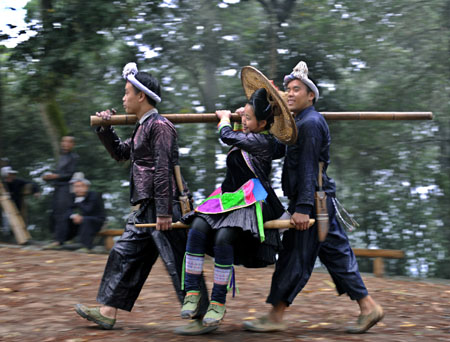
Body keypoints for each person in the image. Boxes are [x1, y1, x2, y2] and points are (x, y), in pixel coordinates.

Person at [243, 61, 384, 334]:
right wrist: (251, 120)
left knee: (294, 257)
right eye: (288, 90)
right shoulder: (297, 123)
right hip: (319, 202)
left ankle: (275, 315)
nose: (291, 93)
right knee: (337, 256)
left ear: (311, 96)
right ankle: (369, 308)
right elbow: (275, 149)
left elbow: (309, 166)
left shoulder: (310, 123)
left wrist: (303, 208)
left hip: (313, 204)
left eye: (297, 89)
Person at [74, 62, 211, 335]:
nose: (123, 98)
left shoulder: (160, 126)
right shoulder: (142, 126)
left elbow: (163, 169)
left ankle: (202, 318)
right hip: (146, 207)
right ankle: (107, 312)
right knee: (123, 253)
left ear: (141, 95)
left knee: (178, 261)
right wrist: (105, 129)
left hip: (164, 205)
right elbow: (122, 153)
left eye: (126, 93)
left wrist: (163, 212)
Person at [178, 84, 295, 330]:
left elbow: (227, 136)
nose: (242, 118)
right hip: (228, 198)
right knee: (197, 227)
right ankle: (191, 292)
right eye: (242, 114)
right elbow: (244, 132)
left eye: (248, 117)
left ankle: (218, 302)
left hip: (251, 200)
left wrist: (224, 120)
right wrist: (246, 115)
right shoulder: (252, 133)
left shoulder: (263, 142)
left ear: (263, 124)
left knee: (223, 238)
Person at [42, 135, 78, 248]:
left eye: (68, 142)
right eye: (64, 141)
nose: (65, 143)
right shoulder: (62, 157)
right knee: (55, 213)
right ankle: (59, 238)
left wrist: (55, 176)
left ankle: (60, 240)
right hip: (57, 188)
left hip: (66, 189)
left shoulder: (73, 157)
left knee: (63, 214)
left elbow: (70, 174)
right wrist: (48, 176)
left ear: (72, 144)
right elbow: (59, 173)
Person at [58, 172, 105, 252]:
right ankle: (60, 242)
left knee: (85, 220)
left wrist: (79, 201)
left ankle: (86, 246)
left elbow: (88, 210)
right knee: (64, 217)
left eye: (80, 186)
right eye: (76, 187)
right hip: (80, 221)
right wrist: (73, 216)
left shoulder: (94, 195)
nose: (78, 189)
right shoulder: (73, 197)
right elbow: (68, 210)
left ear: (86, 187)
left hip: (96, 221)